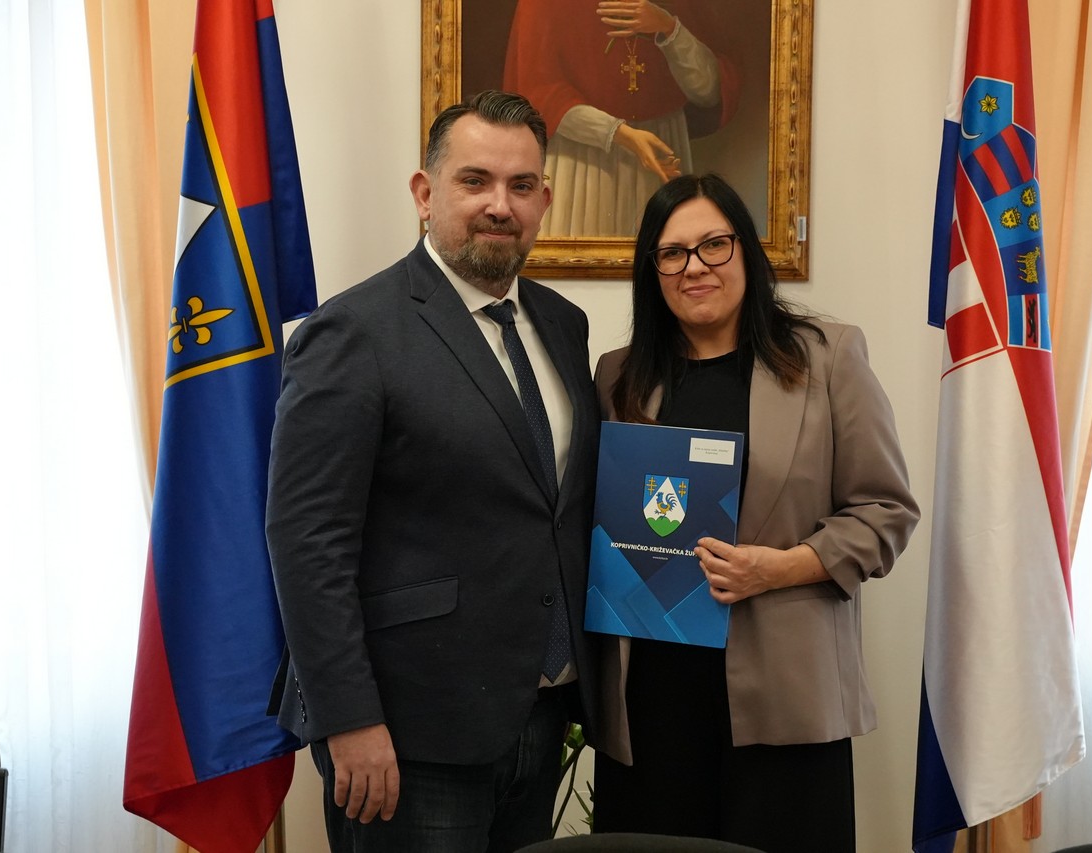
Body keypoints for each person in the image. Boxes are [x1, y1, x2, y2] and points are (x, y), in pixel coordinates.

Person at [265, 90, 599, 853]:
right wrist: (348, 717)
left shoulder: (562, 325)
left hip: (539, 715)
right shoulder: (354, 331)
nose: (500, 205)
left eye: (521, 185)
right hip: (407, 733)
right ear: (425, 192)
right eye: (474, 180)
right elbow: (307, 541)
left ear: (544, 200)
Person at [590, 173, 919, 853]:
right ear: (652, 270)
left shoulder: (827, 357)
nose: (695, 267)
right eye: (672, 252)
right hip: (652, 703)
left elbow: (886, 510)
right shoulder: (618, 375)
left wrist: (782, 567)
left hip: (785, 701)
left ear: (746, 248)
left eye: (714, 244)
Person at [503, 0, 741, 236]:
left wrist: (669, 28)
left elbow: (708, 93)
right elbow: (540, 94)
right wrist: (622, 134)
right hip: (584, 157)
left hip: (662, 148)